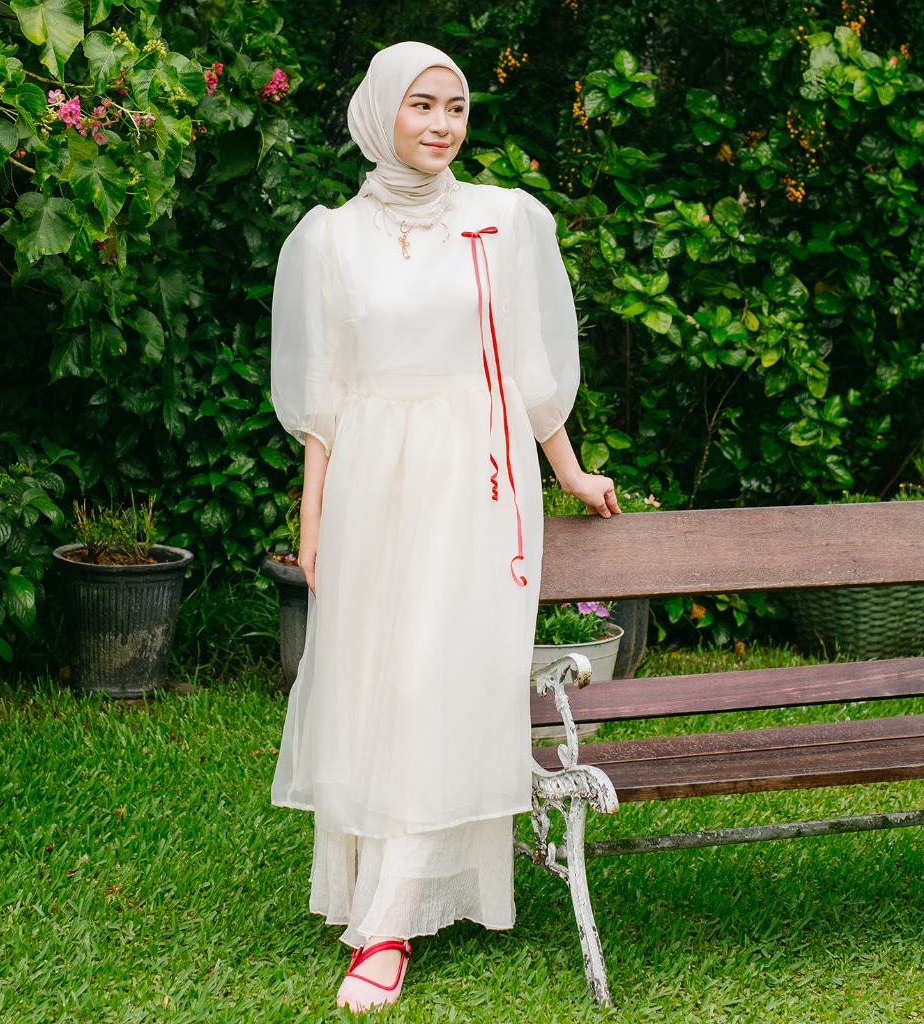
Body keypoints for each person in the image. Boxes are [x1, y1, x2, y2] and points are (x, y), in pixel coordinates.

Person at [269, 40, 620, 1013]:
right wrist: (313, 513)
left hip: (477, 481)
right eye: (421, 104)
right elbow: (325, 393)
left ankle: (387, 922)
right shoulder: (329, 240)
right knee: (378, 683)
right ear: (380, 110)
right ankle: (383, 885)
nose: (440, 124)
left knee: (437, 679)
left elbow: (529, 366)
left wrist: (569, 470)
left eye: (456, 106)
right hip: (373, 482)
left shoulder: (504, 220)